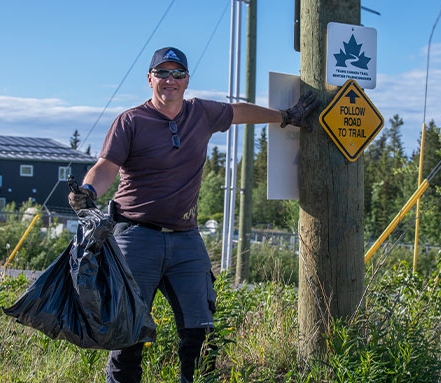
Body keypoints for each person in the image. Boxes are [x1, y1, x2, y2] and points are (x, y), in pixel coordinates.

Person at [68, 46, 316, 383]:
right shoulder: (131, 121)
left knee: (200, 333)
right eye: (163, 73)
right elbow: (106, 166)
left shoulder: (201, 113)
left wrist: (285, 116)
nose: (170, 80)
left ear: (187, 80)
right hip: (136, 237)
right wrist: (89, 192)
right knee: (128, 333)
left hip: (186, 240)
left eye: (178, 74)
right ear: (150, 79)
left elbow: (238, 112)